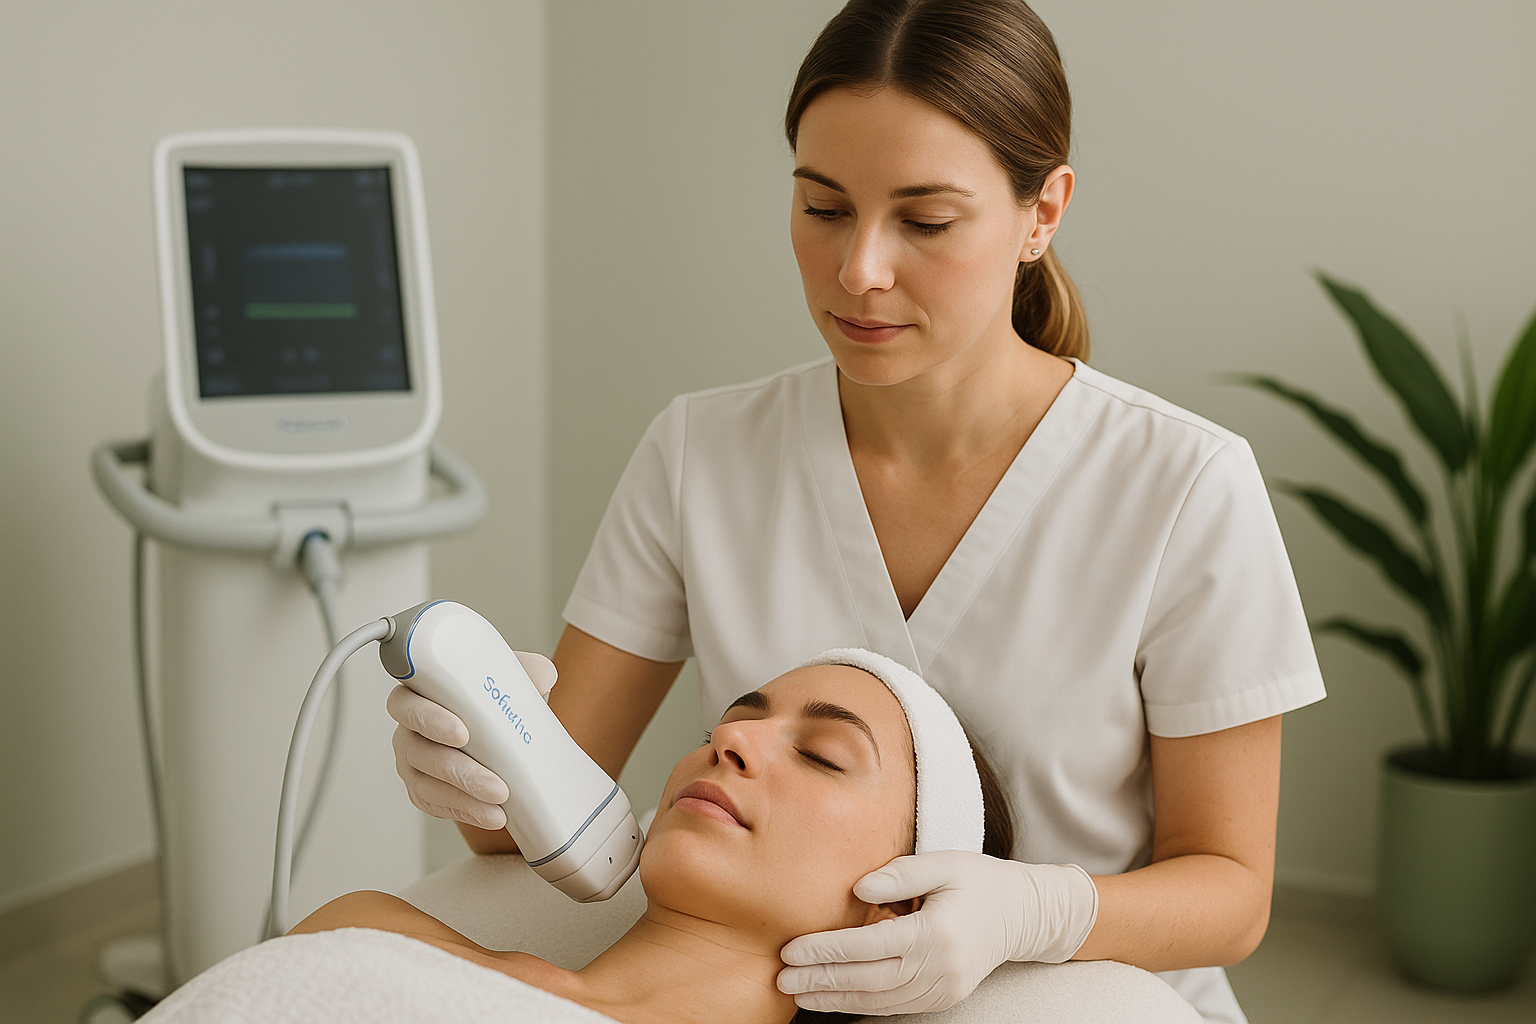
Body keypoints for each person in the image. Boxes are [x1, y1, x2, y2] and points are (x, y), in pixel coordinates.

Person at [389, 2, 1326, 1021]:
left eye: (925, 220)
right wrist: (481, 753)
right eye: (824, 207)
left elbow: (1232, 892)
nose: (859, 272)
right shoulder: (703, 452)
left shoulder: (1181, 484)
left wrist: (1034, 912)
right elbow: (532, 827)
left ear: (1042, 212)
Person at [300, 653, 1015, 1024]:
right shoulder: (370, 932)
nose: (730, 738)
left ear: (896, 909)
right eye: (721, 726)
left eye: (823, 755)